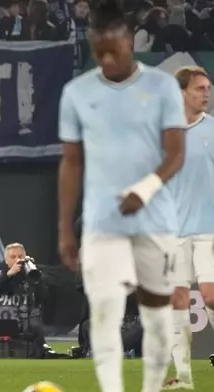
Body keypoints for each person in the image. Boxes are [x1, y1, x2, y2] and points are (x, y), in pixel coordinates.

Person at [57, 1, 186, 391]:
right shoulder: (77, 92)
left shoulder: (162, 86)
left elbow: (176, 153)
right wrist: (65, 227)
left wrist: (144, 190)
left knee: (156, 315)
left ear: (130, 40)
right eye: (99, 51)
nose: (107, 58)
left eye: (113, 48)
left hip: (153, 219)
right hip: (101, 222)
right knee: (104, 314)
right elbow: (72, 162)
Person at [164, 66, 214, 390]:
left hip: (209, 230)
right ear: (182, 92)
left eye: (208, 88)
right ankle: (183, 379)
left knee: (210, 296)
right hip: (172, 234)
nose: (206, 93)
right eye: (200, 88)